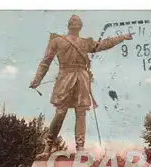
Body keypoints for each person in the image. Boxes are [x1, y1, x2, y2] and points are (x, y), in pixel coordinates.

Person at [29, 15, 134, 154]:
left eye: (77, 23)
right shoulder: (57, 41)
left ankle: (80, 148)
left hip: (82, 78)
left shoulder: (85, 42)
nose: (75, 25)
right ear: (69, 25)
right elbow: (45, 62)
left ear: (81, 26)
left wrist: (122, 37)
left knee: (81, 113)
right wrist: (37, 79)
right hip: (65, 77)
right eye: (73, 23)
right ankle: (48, 146)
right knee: (60, 112)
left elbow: (103, 44)